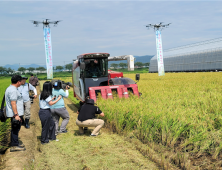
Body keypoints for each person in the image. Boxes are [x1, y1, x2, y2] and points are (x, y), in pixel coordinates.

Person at [5, 75, 26, 152]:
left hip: (15, 114)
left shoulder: (11, 88)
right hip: (15, 114)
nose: (21, 83)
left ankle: (16, 143)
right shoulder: (13, 90)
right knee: (15, 129)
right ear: (18, 82)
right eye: (21, 81)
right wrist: (16, 115)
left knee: (16, 129)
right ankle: (14, 146)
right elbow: (13, 103)